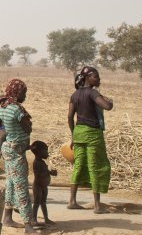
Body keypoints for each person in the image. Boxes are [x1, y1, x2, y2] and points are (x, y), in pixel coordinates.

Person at [0, 79, 44, 235]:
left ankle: (7, 218)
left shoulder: (3, 107)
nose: (25, 96)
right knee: (21, 186)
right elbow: (28, 127)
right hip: (16, 151)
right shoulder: (16, 109)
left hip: (8, 148)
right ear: (16, 93)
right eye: (24, 93)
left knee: (10, 182)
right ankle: (28, 226)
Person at [67, 65, 114, 213]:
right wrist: (110, 101)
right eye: (96, 77)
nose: (98, 79)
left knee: (79, 165)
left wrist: (73, 135)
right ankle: (98, 206)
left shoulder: (75, 95)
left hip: (79, 133)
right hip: (92, 134)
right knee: (96, 166)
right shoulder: (93, 93)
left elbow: (69, 117)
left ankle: (72, 201)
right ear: (88, 78)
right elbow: (107, 106)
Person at [30, 140, 57, 226]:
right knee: (37, 203)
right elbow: (38, 175)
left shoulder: (42, 162)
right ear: (39, 152)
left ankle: (46, 219)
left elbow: (44, 172)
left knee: (43, 202)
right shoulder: (36, 163)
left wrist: (51, 173)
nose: (47, 153)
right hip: (38, 186)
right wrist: (47, 172)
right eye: (45, 151)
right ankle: (33, 219)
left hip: (43, 186)